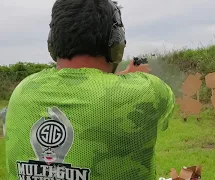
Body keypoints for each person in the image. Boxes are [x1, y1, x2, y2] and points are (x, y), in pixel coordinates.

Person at [4, 0, 175, 180]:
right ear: (116, 42)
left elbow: (88, 90)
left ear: (52, 42)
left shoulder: (22, 90)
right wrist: (135, 77)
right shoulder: (147, 90)